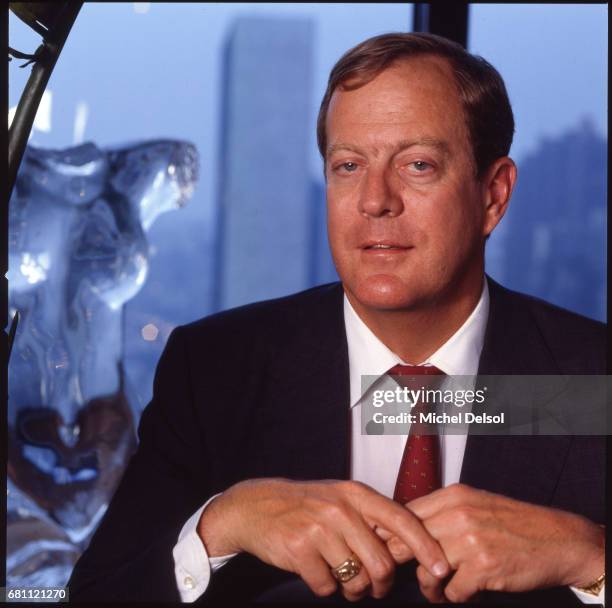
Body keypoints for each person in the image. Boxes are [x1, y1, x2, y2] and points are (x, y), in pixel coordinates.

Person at [68, 33, 606, 605]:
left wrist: (592, 557)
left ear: (493, 196)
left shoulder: (593, 378)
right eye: (348, 165)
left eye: (417, 165)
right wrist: (220, 526)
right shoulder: (216, 370)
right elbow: (99, 596)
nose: (375, 200)